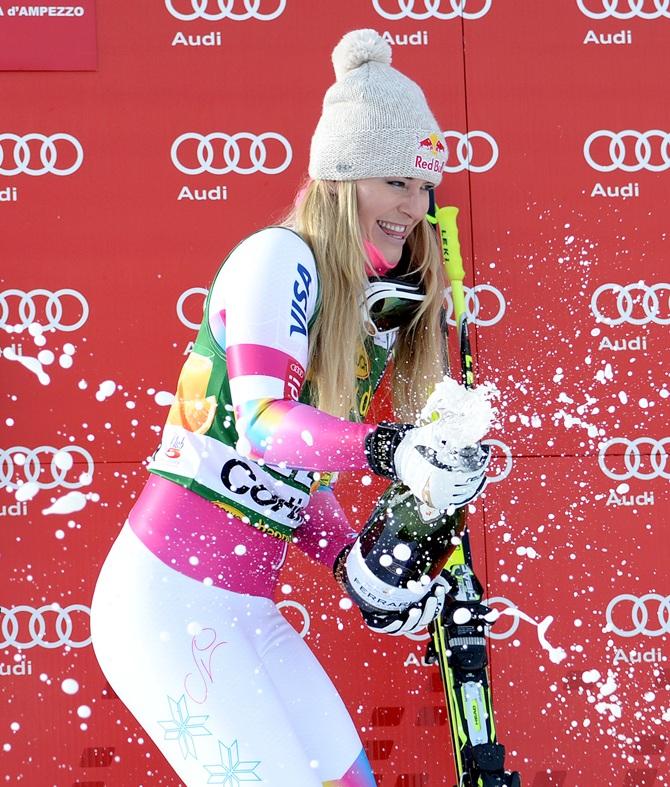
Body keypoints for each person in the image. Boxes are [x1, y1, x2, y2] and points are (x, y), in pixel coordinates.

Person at [90, 29, 489, 787]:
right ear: (343, 178)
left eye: (423, 187)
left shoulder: (358, 309)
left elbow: (288, 480)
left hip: (243, 609)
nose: (415, 207)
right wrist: (392, 447)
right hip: (168, 609)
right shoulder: (279, 258)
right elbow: (268, 425)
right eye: (395, 181)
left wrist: (352, 566)